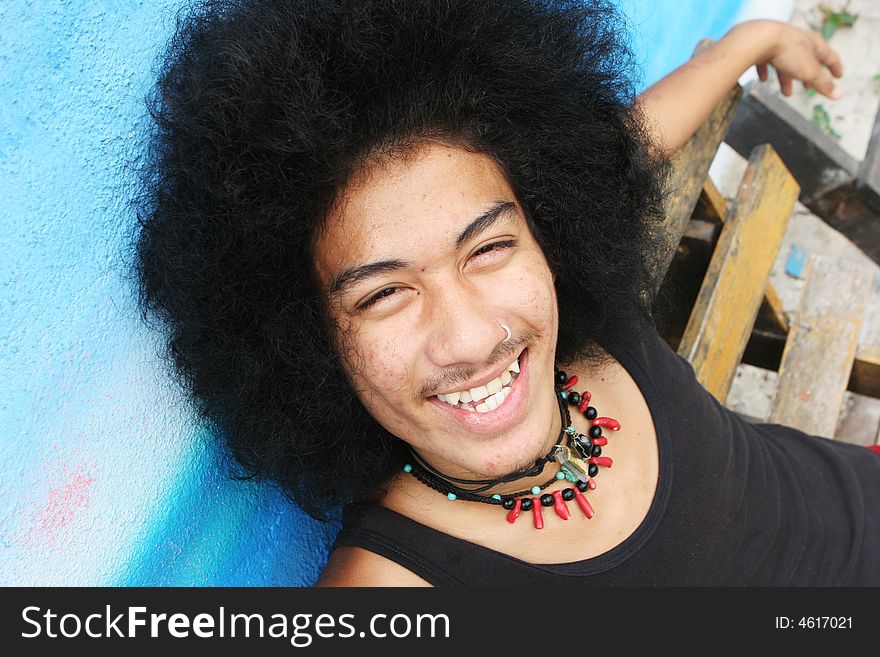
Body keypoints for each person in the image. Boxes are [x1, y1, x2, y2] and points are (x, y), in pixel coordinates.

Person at [134, 0, 879, 587]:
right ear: (306, 340)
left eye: (487, 247)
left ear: (547, 224)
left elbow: (622, 145)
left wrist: (747, 45)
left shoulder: (565, 290)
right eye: (383, 294)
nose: (471, 338)